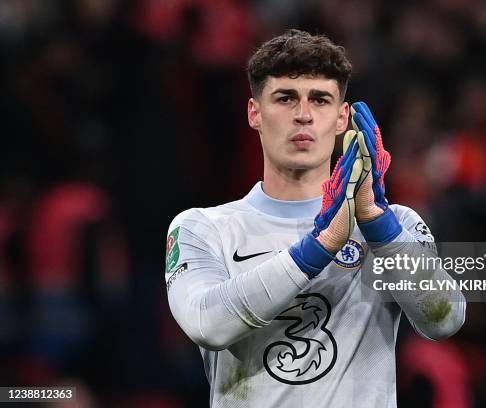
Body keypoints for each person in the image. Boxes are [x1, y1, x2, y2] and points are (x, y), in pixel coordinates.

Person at [165, 29, 466, 407]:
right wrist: (318, 247)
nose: (303, 115)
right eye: (285, 98)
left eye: (320, 100)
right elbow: (206, 324)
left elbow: (444, 318)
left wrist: (377, 223)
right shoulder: (203, 228)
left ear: (342, 118)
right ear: (254, 113)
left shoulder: (396, 225)